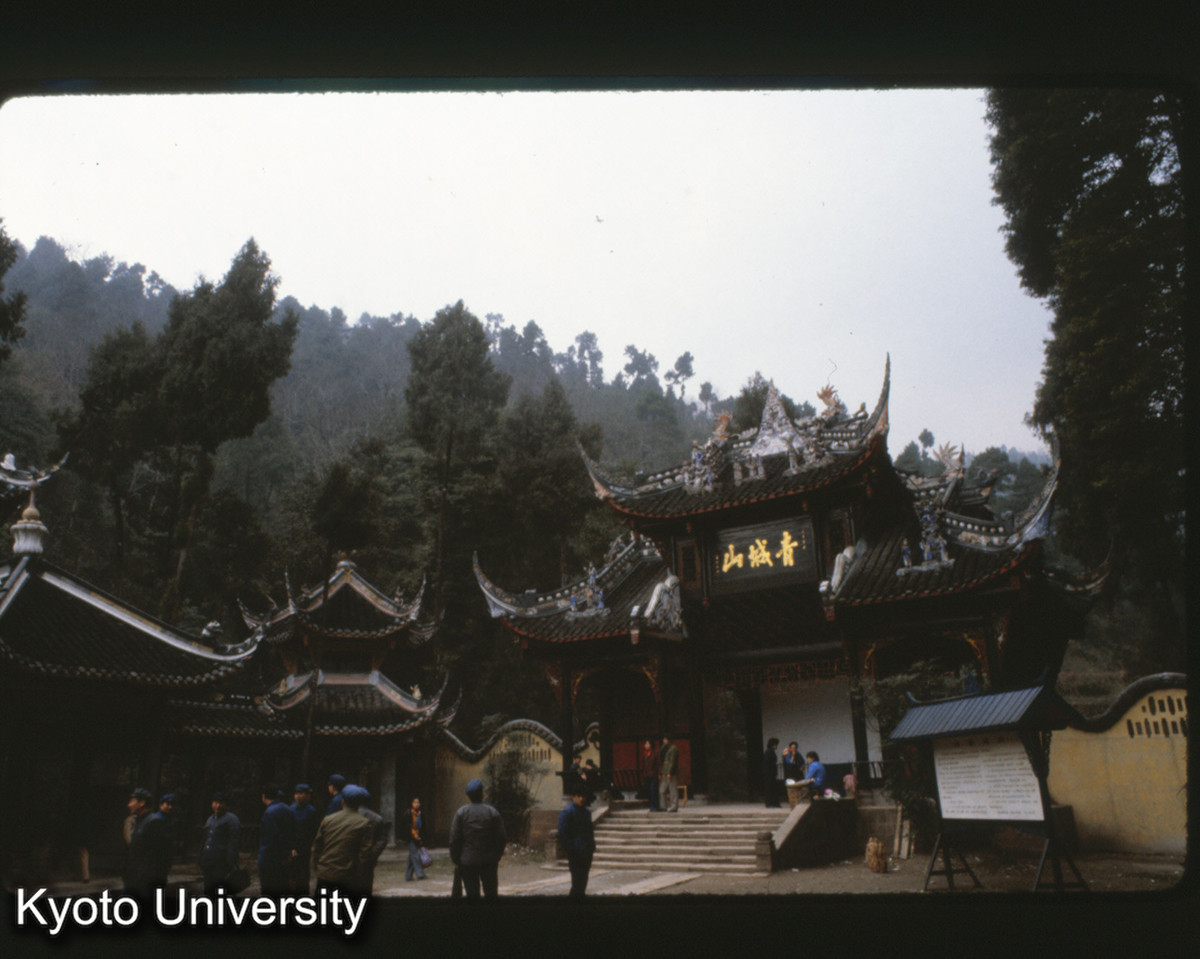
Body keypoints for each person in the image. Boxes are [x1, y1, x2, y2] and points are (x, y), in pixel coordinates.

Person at [448, 779, 506, 900]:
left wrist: (456, 858)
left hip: (467, 862)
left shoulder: (461, 813)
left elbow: (454, 839)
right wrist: (497, 855)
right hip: (489, 861)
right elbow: (501, 837)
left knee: (472, 896)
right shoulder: (492, 812)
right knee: (491, 895)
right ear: (482, 794)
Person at [310, 782, 374, 894]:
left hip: (325, 874)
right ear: (359, 804)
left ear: (342, 802)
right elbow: (365, 856)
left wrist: (318, 868)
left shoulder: (328, 820)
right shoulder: (364, 823)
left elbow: (316, 848)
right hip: (347, 877)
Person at [124, 787, 168, 897]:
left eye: (132, 801)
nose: (129, 805)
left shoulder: (154, 822)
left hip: (145, 881)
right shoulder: (139, 821)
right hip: (134, 878)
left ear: (142, 803)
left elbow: (163, 855)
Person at [198, 791, 241, 894]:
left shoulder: (231, 819)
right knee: (208, 888)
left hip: (221, 861)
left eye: (220, 803)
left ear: (225, 804)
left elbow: (234, 840)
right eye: (215, 802)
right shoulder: (210, 819)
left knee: (219, 889)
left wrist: (232, 859)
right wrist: (199, 859)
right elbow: (205, 839)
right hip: (208, 860)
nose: (218, 806)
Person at [557, 788, 595, 899]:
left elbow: (589, 831)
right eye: (579, 796)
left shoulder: (587, 813)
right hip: (575, 852)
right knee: (577, 881)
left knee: (583, 881)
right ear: (574, 797)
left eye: (583, 796)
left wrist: (592, 846)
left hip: (586, 851)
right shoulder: (567, 813)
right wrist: (571, 849)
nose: (582, 799)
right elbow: (562, 834)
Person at [258, 785, 296, 895]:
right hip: (284, 858)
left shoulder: (269, 813)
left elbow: (271, 838)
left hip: (270, 860)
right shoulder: (288, 809)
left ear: (264, 797)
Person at [352, 787, 390, 895]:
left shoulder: (348, 816)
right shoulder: (377, 818)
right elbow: (382, 839)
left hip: (349, 858)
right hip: (368, 859)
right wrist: (372, 854)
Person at [289, 783, 322, 893]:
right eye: (296, 793)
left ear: (308, 796)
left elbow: (314, 831)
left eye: (301, 793)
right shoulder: (291, 809)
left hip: (304, 848)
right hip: (292, 846)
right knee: (291, 875)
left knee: (303, 876)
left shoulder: (311, 811)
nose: (298, 796)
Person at [398, 797, 427, 881]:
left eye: (418, 802)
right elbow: (405, 826)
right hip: (410, 837)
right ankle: (420, 873)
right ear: (412, 804)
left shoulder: (420, 814)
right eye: (414, 802)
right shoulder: (408, 813)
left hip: (418, 837)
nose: (416, 804)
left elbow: (423, 827)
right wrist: (413, 834)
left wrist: (421, 836)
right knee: (415, 854)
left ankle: (408, 876)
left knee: (411, 856)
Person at [659, 737, 679, 813]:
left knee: (672, 789)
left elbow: (672, 761)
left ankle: (674, 806)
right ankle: (663, 806)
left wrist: (670, 772)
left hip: (670, 772)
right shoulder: (665, 748)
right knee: (662, 790)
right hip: (664, 771)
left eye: (665, 739)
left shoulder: (673, 748)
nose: (664, 741)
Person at [639, 739, 659, 811]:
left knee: (653, 790)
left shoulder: (655, 753)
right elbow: (643, 764)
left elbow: (658, 764)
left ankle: (654, 806)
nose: (646, 745)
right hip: (646, 775)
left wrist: (658, 774)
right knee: (648, 791)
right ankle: (650, 805)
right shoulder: (644, 754)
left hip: (653, 774)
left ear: (651, 744)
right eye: (645, 744)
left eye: (647, 744)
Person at [763, 738, 781, 808]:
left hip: (770, 773)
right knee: (769, 788)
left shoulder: (769, 751)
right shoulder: (769, 752)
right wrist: (774, 763)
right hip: (769, 773)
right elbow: (767, 762)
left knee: (772, 788)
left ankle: (773, 802)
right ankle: (770, 802)